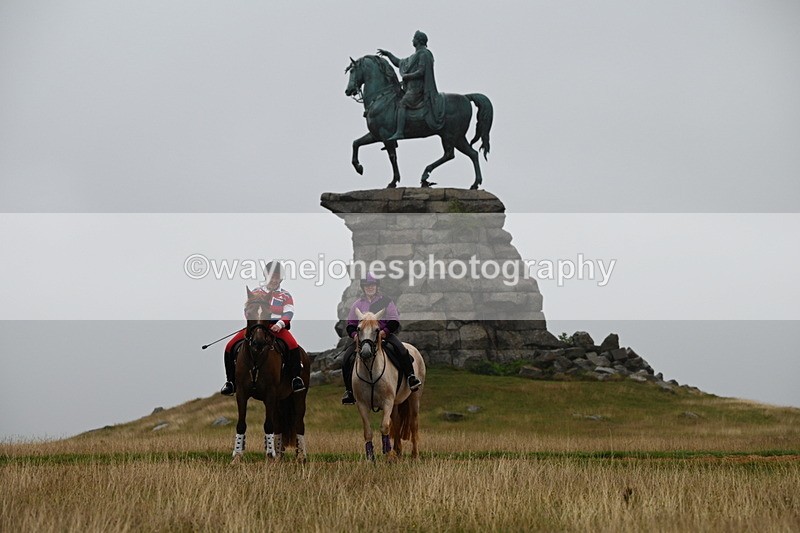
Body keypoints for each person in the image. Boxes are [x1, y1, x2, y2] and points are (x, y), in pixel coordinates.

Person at [220, 261, 305, 395]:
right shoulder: (256, 292)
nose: (274, 280)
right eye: (272, 277)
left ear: (280, 279)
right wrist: (253, 323)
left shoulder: (285, 295)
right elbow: (247, 309)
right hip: (256, 326)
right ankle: (230, 382)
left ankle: (295, 378)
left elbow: (289, 312)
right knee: (230, 346)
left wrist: (280, 324)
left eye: (277, 277)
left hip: (277, 327)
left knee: (293, 345)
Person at [340, 273, 422, 405]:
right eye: (367, 286)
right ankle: (350, 391)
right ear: (363, 287)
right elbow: (350, 324)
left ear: (376, 286)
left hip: (384, 334)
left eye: (372, 285)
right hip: (363, 338)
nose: (370, 288)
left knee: (401, 350)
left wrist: (385, 332)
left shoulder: (386, 301)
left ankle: (411, 378)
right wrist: (355, 336)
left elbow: (394, 320)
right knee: (346, 359)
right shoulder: (357, 304)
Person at [378, 30, 446, 140]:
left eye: (414, 38)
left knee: (402, 104)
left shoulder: (424, 54)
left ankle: (400, 132)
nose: (412, 40)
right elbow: (399, 62)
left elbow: (421, 71)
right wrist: (388, 54)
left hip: (417, 90)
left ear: (418, 40)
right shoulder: (414, 56)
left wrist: (407, 76)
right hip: (410, 89)